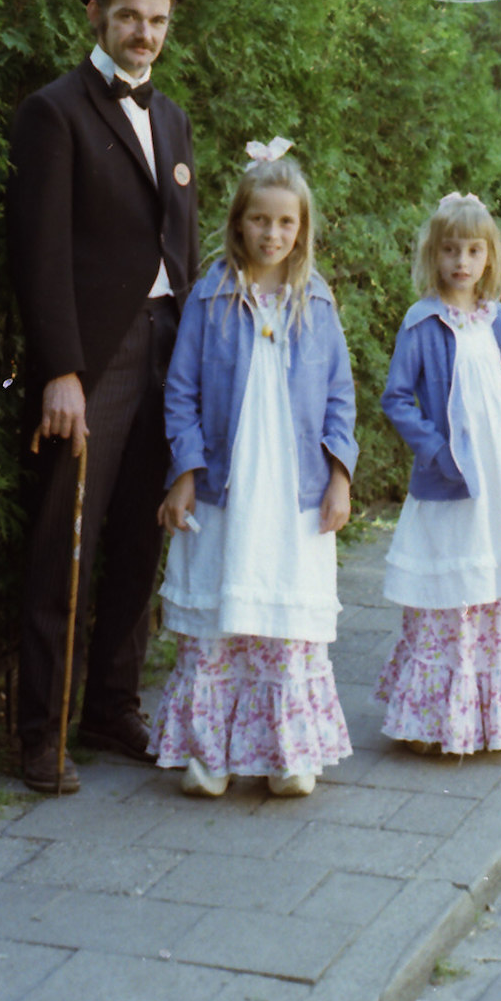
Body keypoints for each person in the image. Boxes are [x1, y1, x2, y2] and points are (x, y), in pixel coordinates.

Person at [6, 0, 200, 793]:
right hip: (95, 362)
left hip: (169, 348)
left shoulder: (174, 117)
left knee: (137, 540)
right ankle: (40, 737)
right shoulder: (54, 114)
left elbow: (181, 246)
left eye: (157, 20)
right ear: (96, 13)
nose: (144, 34)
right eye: (129, 17)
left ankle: (111, 707)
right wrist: (62, 370)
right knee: (67, 545)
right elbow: (39, 252)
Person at [152, 140, 357, 799]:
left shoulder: (316, 302)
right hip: (228, 488)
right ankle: (209, 754)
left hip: (293, 490)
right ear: (239, 220)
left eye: (286, 222)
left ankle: (288, 751)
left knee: (284, 619)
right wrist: (184, 469)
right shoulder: (210, 296)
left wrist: (340, 476)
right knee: (222, 608)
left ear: (302, 228)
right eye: (261, 219)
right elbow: (181, 390)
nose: (273, 233)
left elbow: (339, 399)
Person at [375, 192, 501, 756]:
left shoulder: (497, 322)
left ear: (490, 258)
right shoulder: (423, 322)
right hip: (453, 483)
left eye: (473, 251)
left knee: (492, 585)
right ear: (434, 256)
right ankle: (434, 721)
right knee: (451, 584)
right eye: (451, 250)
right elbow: (397, 398)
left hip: (499, 483)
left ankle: (491, 719)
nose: (462, 262)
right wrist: (436, 451)